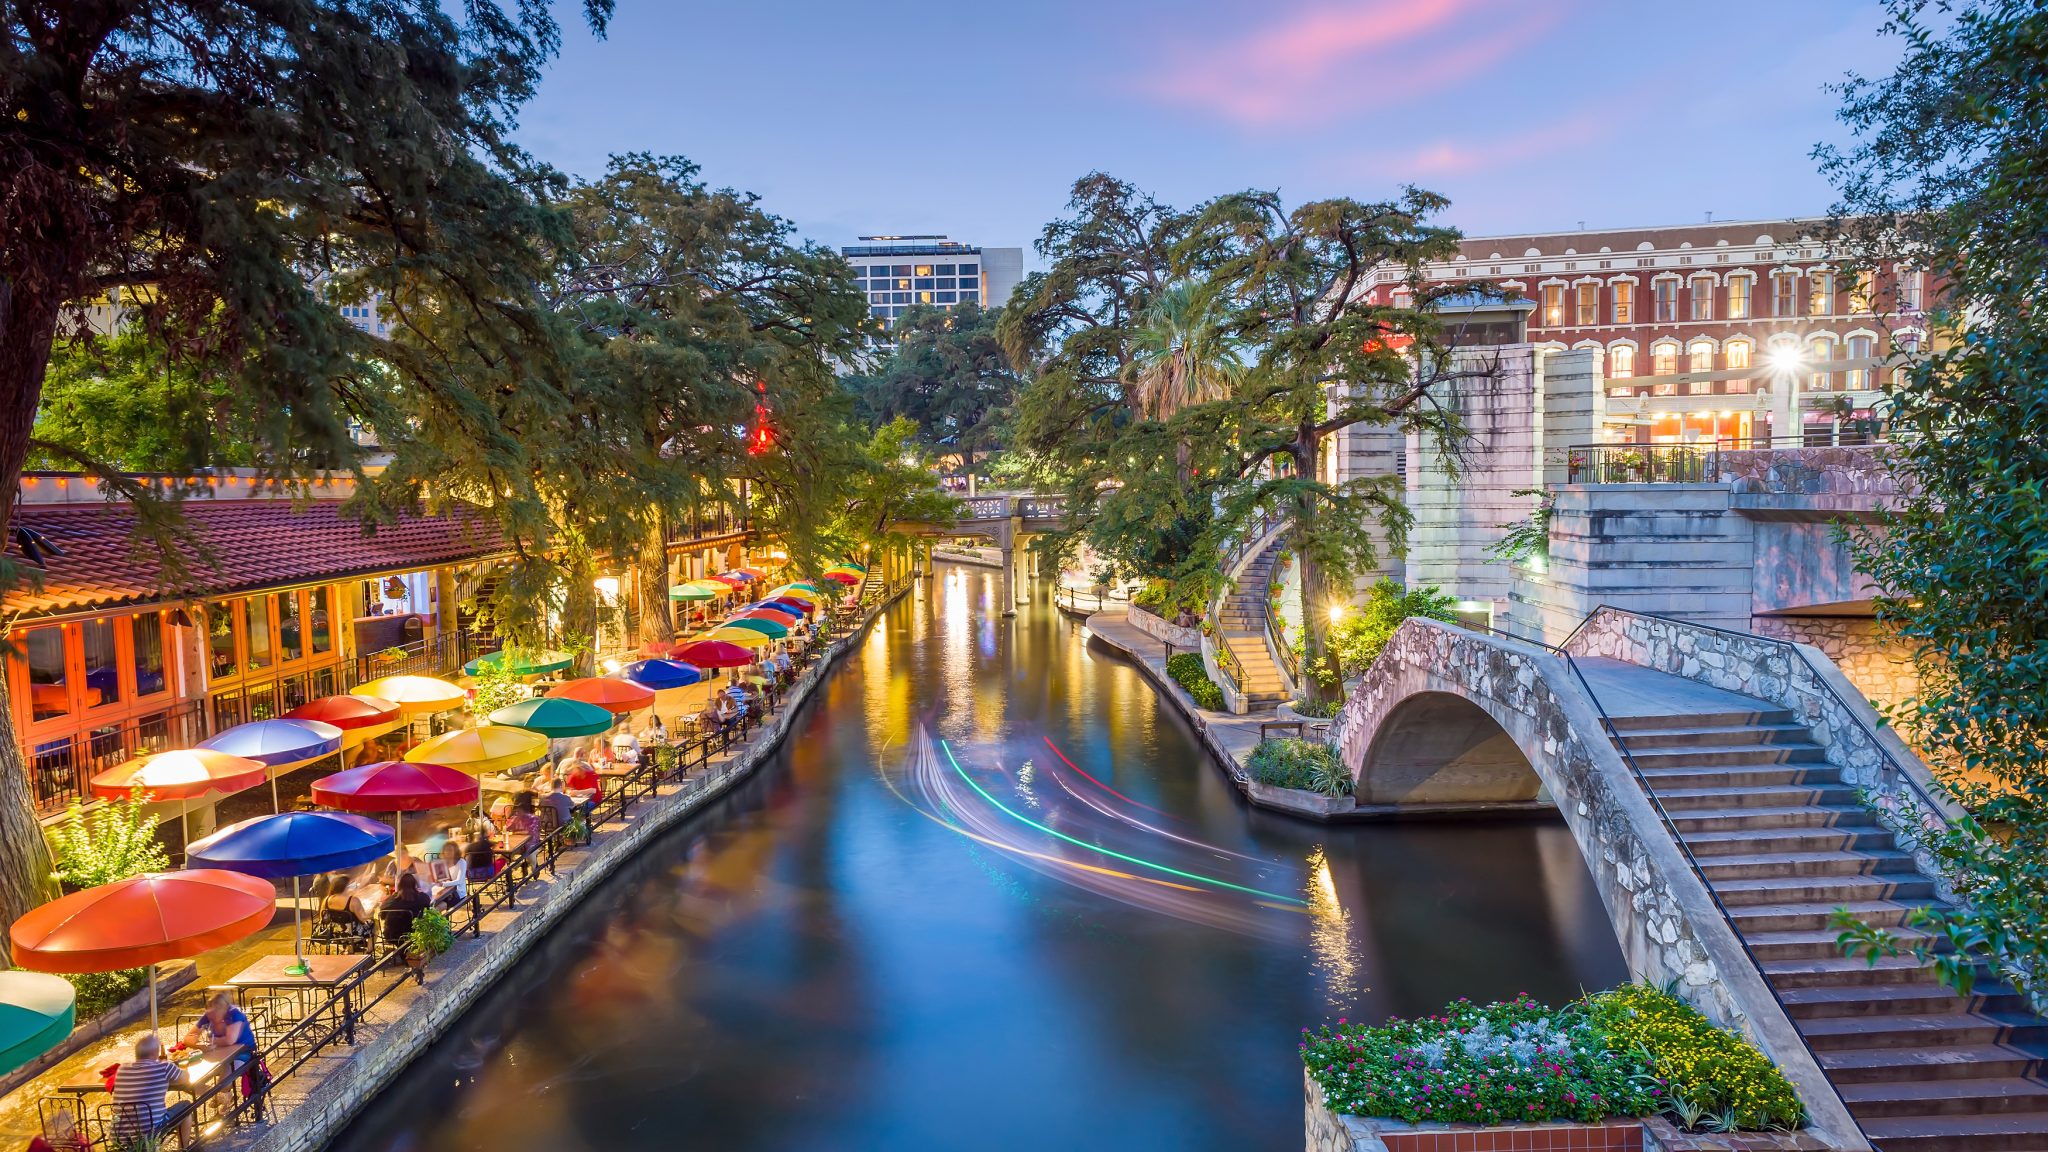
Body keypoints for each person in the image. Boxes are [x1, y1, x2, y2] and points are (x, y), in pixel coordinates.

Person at [110, 1034, 194, 1146]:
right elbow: (185, 1078)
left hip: (119, 1134)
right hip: (150, 1132)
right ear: (155, 1053)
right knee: (186, 1106)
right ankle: (183, 1148)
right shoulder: (164, 1067)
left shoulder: (122, 1069)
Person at [379, 871, 431, 946]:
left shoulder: (392, 900)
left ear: (399, 885)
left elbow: (382, 914)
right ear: (414, 884)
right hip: (413, 932)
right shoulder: (421, 897)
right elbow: (428, 906)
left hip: (391, 935)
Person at [429, 841, 468, 909]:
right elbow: (437, 881)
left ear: (455, 851)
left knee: (436, 908)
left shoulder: (461, 862)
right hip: (442, 893)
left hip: (458, 894)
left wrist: (443, 884)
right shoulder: (441, 863)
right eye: (446, 850)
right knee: (430, 905)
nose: (448, 852)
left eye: (450, 850)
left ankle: (440, 918)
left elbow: (459, 881)